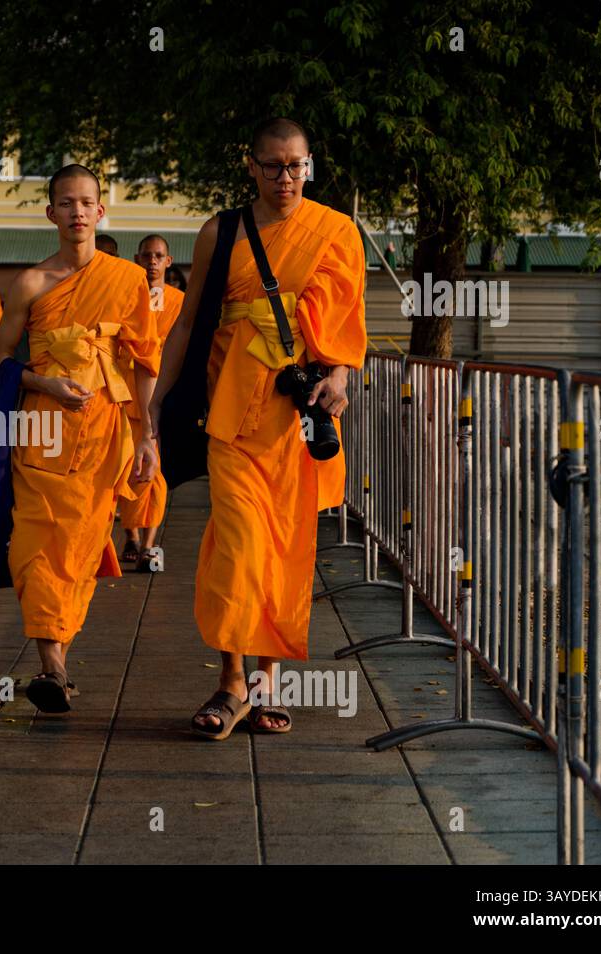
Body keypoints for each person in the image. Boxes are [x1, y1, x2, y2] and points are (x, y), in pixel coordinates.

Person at [151, 117, 366, 738]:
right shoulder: (223, 230)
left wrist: (341, 381)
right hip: (233, 412)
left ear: (309, 166)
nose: (285, 178)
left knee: (284, 553)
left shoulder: (336, 231)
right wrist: (156, 403)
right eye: (272, 165)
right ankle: (229, 681)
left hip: (297, 416)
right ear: (251, 166)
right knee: (239, 547)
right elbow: (188, 324)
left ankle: (264, 683)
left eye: (296, 165)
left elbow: (348, 323)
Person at [0, 164, 159, 713]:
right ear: (51, 213)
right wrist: (42, 382)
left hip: (106, 432)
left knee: (82, 549)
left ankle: (58, 656)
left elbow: (144, 364)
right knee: (38, 544)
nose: (78, 212)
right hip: (42, 429)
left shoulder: (128, 280)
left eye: (87, 202)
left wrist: (148, 437)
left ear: (101, 211)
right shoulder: (31, 283)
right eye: (66, 203)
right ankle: (51, 665)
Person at [118, 234, 184, 570]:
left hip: (162, 393)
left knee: (155, 475)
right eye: (147, 256)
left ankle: (148, 545)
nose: (152, 262)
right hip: (125, 393)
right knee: (126, 469)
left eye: (159, 256)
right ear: (137, 258)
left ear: (168, 262)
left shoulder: (178, 301)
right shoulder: (126, 298)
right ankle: (129, 535)